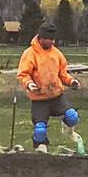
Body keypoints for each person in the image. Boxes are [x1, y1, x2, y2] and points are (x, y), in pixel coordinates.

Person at [17, 20, 83, 153]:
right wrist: (29, 84)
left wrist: (71, 82)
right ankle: (40, 147)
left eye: (54, 39)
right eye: (49, 39)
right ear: (41, 38)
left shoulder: (57, 54)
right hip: (39, 99)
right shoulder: (29, 54)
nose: (52, 42)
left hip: (57, 96)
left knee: (72, 117)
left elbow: (63, 74)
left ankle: (67, 130)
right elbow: (23, 75)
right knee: (40, 129)